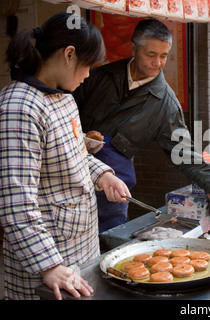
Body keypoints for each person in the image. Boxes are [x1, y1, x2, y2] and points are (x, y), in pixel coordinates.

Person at [0, 12, 131, 300]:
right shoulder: (19, 107)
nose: (88, 76)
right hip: (47, 262)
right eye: (88, 66)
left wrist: (104, 174)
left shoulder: (64, 98)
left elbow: (75, 152)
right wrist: (49, 265)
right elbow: (15, 201)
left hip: (82, 249)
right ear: (69, 54)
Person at [73, 18, 210, 232]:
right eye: (151, 55)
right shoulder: (99, 76)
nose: (158, 63)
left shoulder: (165, 103)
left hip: (114, 187)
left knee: (108, 238)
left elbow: (185, 154)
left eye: (164, 56)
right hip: (71, 174)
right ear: (134, 48)